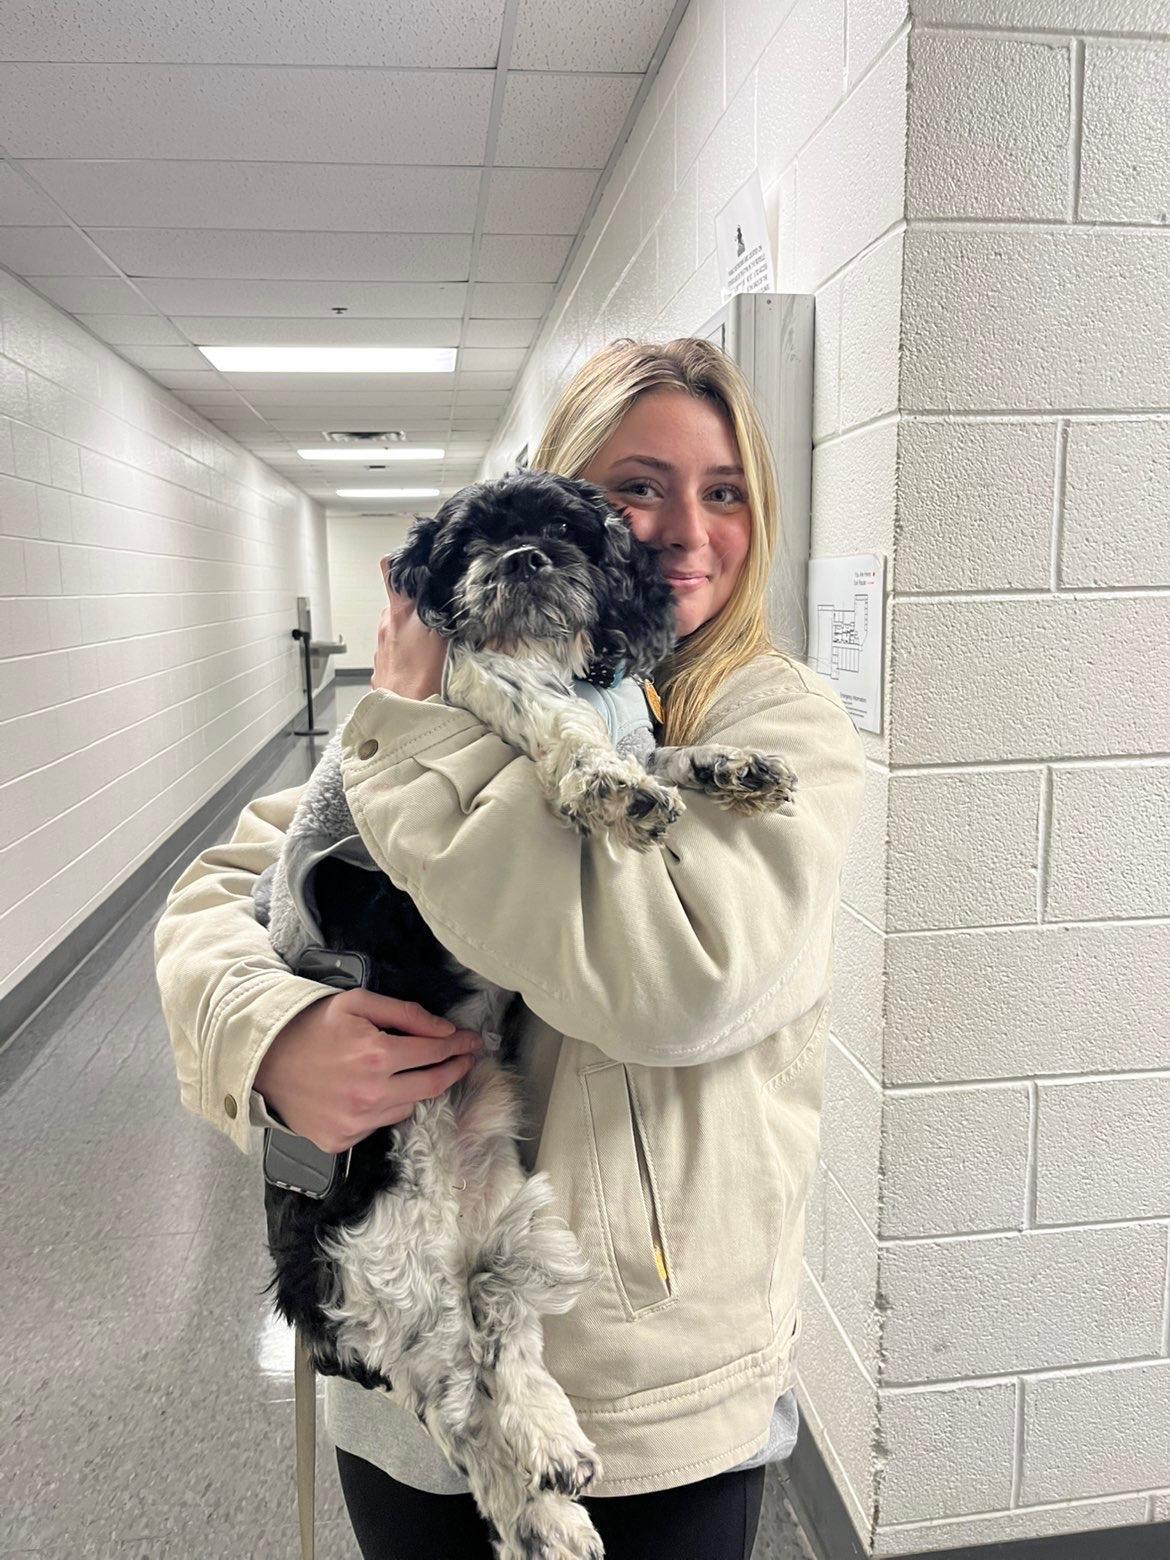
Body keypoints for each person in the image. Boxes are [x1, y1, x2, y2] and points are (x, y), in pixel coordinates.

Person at [154, 337, 866, 1560]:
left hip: (644, 1393)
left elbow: (672, 987)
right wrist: (271, 1038)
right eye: (637, 486)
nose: (684, 529)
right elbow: (223, 891)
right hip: (407, 1375)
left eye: (726, 489)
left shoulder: (774, 719)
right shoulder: (434, 691)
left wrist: (421, 745)